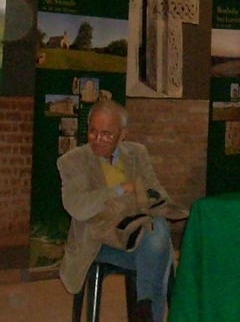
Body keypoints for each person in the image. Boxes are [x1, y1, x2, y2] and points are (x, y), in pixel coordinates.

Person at [57, 100, 184, 322]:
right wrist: (119, 190)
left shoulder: (137, 153)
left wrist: (146, 199)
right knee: (159, 249)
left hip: (138, 236)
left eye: (106, 134)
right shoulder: (72, 161)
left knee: (157, 231)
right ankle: (147, 310)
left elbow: (157, 193)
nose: (98, 140)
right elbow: (77, 206)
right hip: (99, 242)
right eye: (93, 132)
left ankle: (144, 307)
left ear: (122, 134)